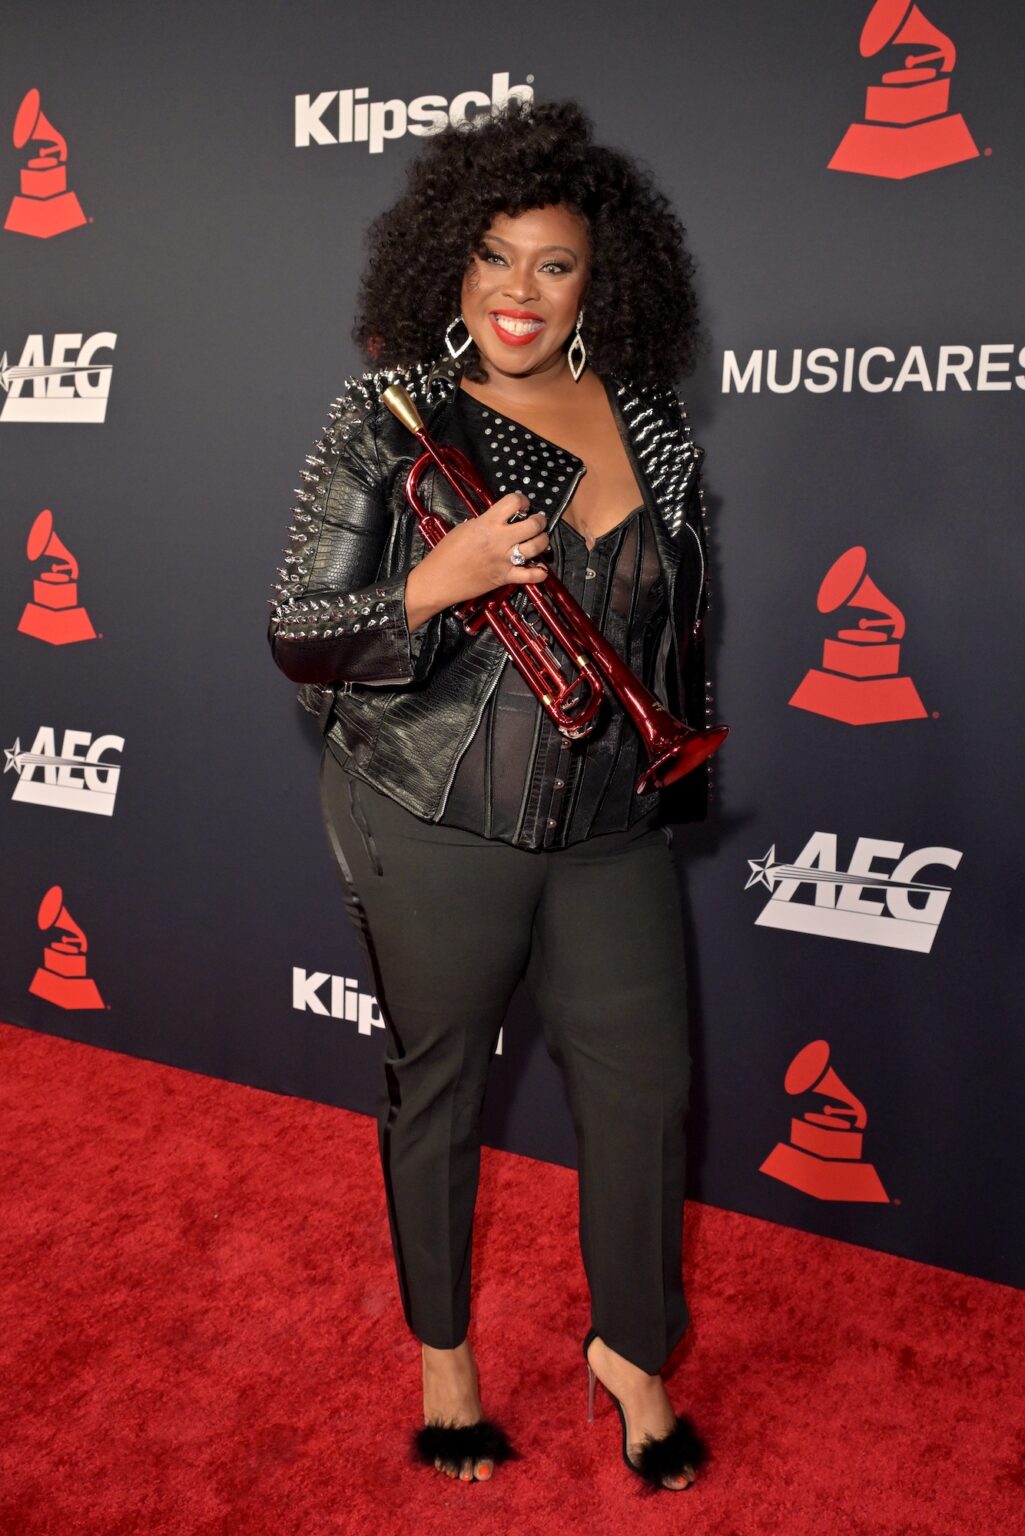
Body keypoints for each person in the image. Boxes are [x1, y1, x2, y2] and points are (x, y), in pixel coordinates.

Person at [267, 98, 721, 1492]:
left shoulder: (654, 428)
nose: (519, 292)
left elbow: (676, 623)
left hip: (606, 826)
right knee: (441, 1090)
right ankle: (445, 1361)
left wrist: (674, 759)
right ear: (447, 266)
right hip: (429, 812)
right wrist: (432, 583)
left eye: (554, 263)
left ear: (602, 278)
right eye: (494, 257)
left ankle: (630, 1354)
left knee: (646, 1097)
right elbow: (299, 625)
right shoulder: (388, 411)